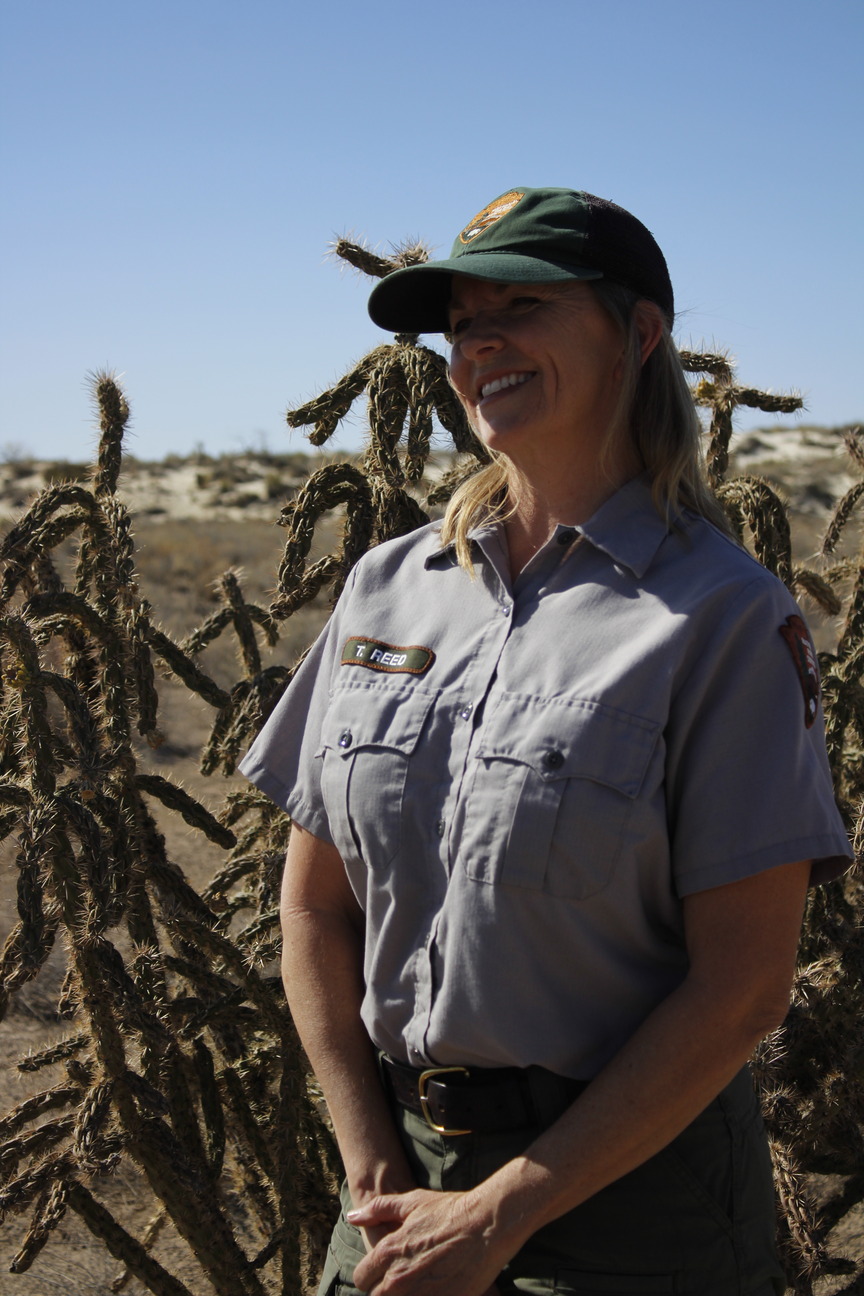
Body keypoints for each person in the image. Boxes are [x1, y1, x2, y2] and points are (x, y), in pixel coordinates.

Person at [239, 186, 852, 1296]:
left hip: (634, 1203)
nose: (481, 344)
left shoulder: (722, 617)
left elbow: (744, 983)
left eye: (522, 306)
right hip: (396, 1174)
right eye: (462, 324)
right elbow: (314, 906)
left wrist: (498, 1215)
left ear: (638, 333)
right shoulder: (389, 586)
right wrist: (371, 1164)